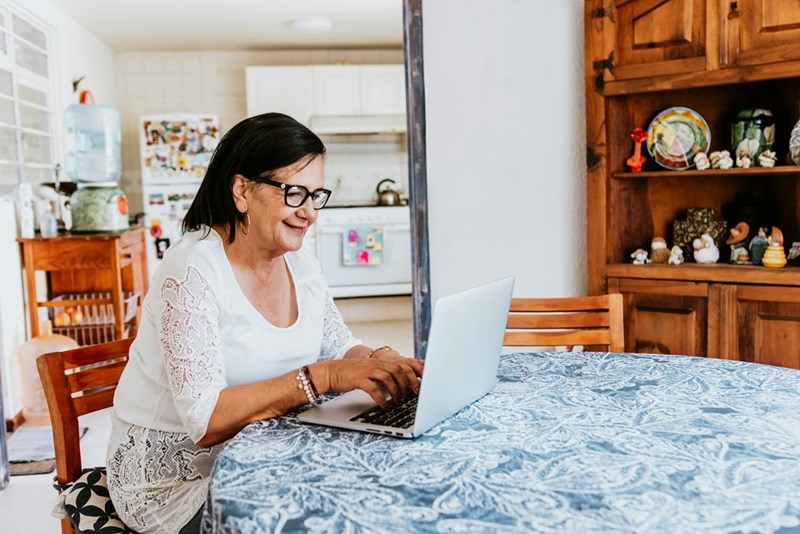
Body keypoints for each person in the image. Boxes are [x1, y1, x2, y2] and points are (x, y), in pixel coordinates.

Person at [106, 112, 423, 533]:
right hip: (175, 485)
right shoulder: (191, 271)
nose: (309, 212)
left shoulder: (300, 262)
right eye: (295, 193)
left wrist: (385, 361)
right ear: (242, 190)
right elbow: (205, 420)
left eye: (316, 196)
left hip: (266, 452)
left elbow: (338, 345)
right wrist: (325, 376)